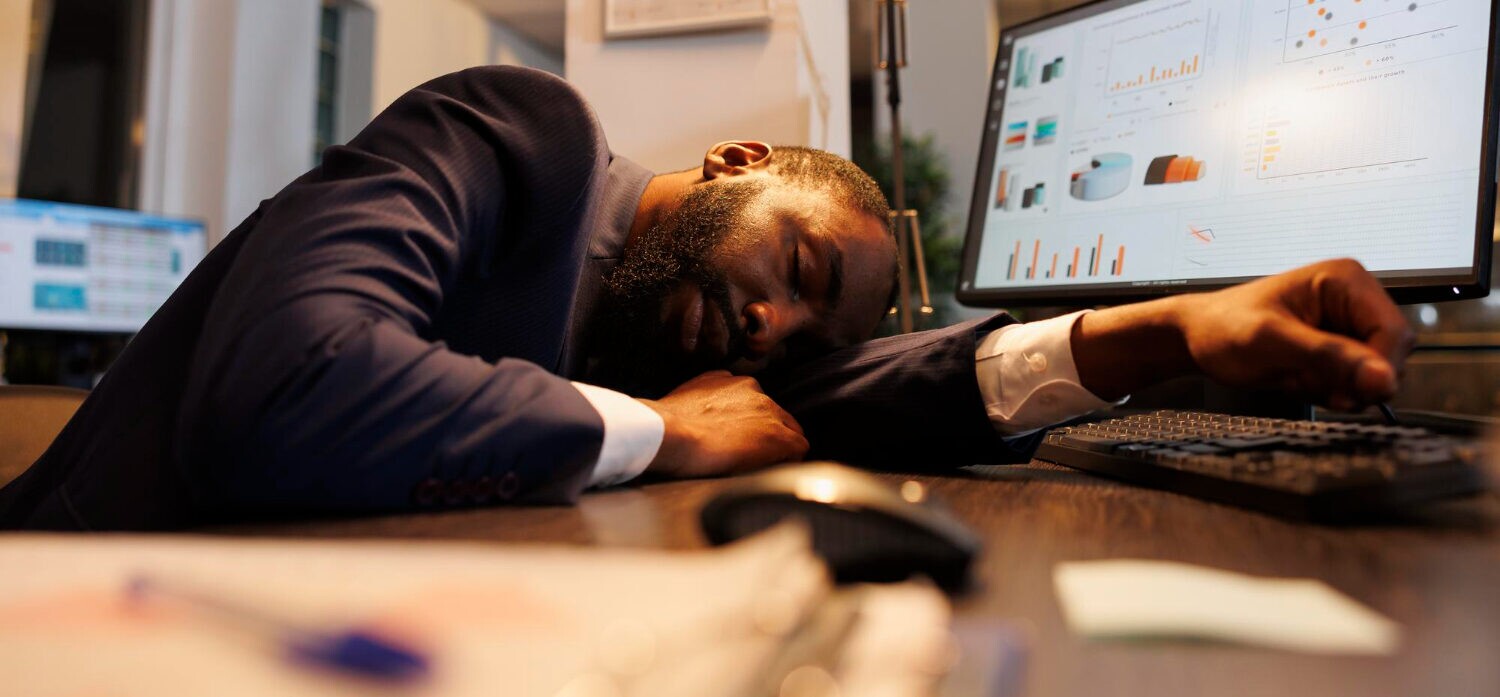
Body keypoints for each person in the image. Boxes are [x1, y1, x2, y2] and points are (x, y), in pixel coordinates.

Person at [0, 66, 1413, 530]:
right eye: (798, 270)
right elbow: (287, 387)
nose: (772, 329)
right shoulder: (518, 141)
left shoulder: (669, 332)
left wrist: (1167, 330)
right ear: (739, 165)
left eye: (807, 330)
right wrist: (661, 433)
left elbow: (865, 386)